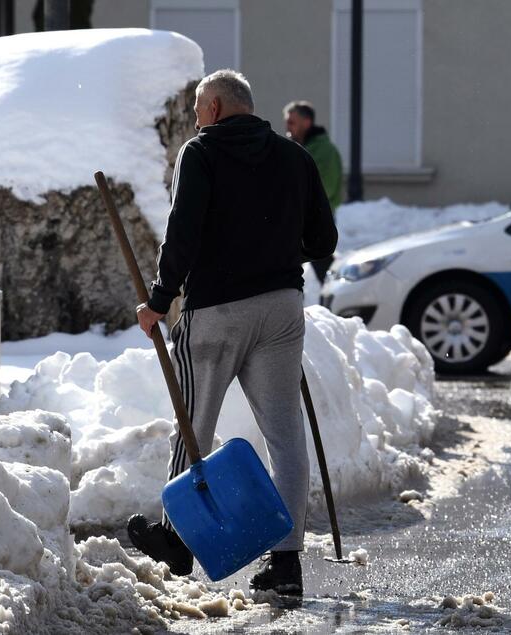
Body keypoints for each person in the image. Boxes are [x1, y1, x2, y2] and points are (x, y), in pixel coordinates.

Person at [128, 69, 338, 596]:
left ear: (216, 108)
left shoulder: (200, 153)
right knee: (285, 436)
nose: (196, 118)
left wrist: (158, 301)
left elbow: (183, 235)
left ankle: (176, 539)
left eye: (199, 108)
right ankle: (286, 565)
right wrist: (276, 249)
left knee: (193, 423)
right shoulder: (296, 156)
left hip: (217, 311)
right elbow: (324, 239)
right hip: (282, 308)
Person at [283, 101, 343, 283]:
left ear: (307, 123)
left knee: (324, 268)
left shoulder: (324, 151)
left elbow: (326, 187)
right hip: (296, 217)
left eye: (292, 122)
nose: (287, 126)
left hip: (316, 218)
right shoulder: (295, 149)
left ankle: (336, 300)